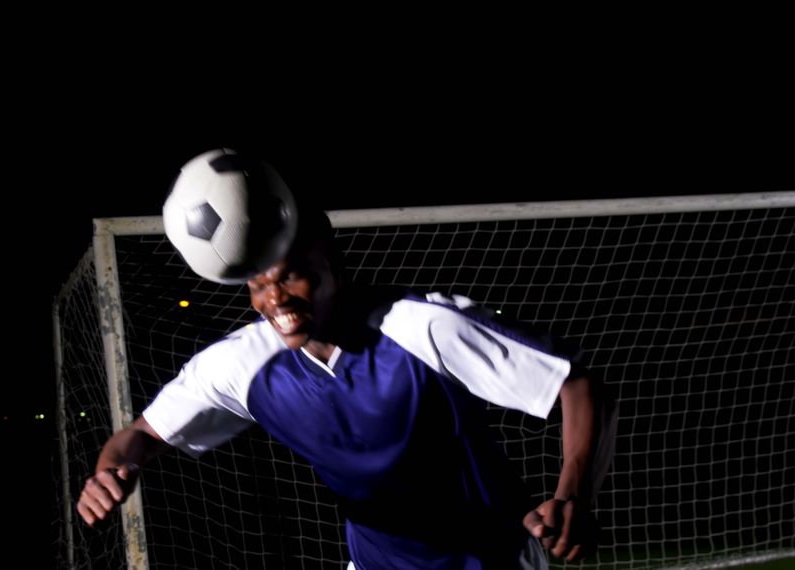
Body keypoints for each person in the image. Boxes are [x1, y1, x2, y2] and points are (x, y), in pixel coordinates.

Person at [77, 184, 615, 569]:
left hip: (492, 557)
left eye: (291, 277)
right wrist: (112, 469)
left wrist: (574, 496)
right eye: (259, 286)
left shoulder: (423, 328)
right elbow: (142, 435)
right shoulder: (241, 365)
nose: (275, 301)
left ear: (331, 259)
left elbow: (574, 383)